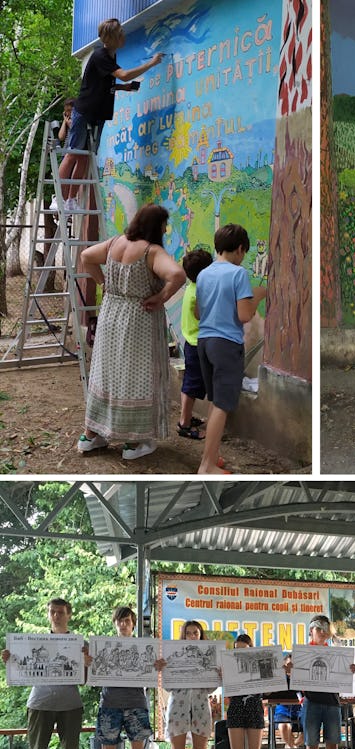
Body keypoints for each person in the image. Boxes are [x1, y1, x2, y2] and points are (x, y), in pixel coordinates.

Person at [77, 203, 186, 461]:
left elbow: (85, 257)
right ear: (158, 227)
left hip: (110, 316)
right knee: (134, 375)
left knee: (106, 373)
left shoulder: (115, 243)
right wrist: (161, 297)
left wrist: (104, 282)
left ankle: (91, 436)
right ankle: (133, 443)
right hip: (139, 320)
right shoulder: (151, 251)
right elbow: (178, 275)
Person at [52, 18, 163, 212]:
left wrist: (124, 88)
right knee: (72, 154)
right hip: (85, 111)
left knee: (85, 159)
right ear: (110, 38)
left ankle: (70, 200)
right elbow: (124, 74)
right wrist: (151, 64)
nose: (123, 36)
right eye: (120, 33)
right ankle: (58, 198)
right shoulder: (100, 55)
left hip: (98, 114)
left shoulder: (110, 56)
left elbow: (105, 84)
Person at [1, 598, 83, 749]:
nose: (56, 615)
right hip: (39, 704)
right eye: (52, 612)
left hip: (70, 704)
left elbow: (85, 680)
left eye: (60, 612)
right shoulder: (31, 642)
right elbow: (19, 670)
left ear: (69, 615)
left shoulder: (79, 643)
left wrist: (86, 663)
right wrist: (9, 660)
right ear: (48, 614)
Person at [195, 223, 267, 474]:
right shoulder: (238, 274)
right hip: (226, 344)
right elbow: (245, 315)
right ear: (239, 249)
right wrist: (257, 295)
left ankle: (212, 457)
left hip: (204, 342)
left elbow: (197, 310)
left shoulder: (204, 274)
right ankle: (206, 466)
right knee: (223, 405)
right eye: (244, 252)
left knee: (216, 402)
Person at [86, 606, 163, 749]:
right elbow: (92, 671)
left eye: (127, 620)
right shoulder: (103, 647)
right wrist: (90, 663)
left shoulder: (144, 647)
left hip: (136, 704)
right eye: (120, 621)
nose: (123, 624)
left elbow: (154, 674)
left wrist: (157, 667)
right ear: (114, 623)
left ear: (133, 624)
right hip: (110, 704)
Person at [287, 615, 355, 749]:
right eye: (318, 628)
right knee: (311, 748)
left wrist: (349, 670)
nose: (322, 632)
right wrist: (290, 671)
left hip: (332, 703)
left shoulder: (336, 655)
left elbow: (344, 676)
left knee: (333, 747)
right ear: (311, 631)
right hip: (312, 704)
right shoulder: (301, 654)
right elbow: (294, 678)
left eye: (325, 629)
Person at [162, 620, 213, 749]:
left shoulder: (208, 657)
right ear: (183, 635)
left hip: (200, 707)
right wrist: (167, 669)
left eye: (196, 633)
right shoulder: (174, 656)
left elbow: (210, 688)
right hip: (178, 708)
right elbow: (167, 685)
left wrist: (218, 675)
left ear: (201, 635)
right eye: (189, 633)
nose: (192, 636)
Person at [225, 634, 265, 749]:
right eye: (237, 650)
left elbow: (270, 690)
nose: (240, 653)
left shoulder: (259, 666)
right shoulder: (229, 666)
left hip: (254, 707)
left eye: (245, 650)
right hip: (235, 708)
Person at [178, 249, 212, 441]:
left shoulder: (191, 287)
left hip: (191, 343)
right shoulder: (198, 293)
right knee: (191, 385)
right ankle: (184, 423)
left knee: (191, 383)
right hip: (197, 344)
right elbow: (203, 315)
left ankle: (187, 417)